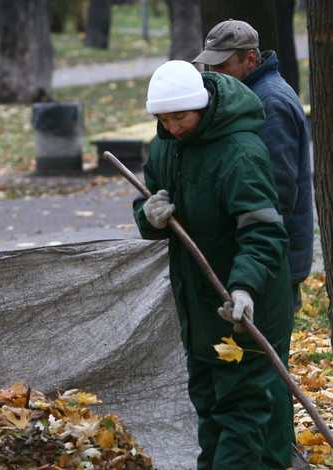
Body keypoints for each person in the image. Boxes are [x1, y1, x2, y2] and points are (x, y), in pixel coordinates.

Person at [132, 60, 294, 469]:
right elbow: (149, 198)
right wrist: (148, 215)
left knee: (242, 411)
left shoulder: (240, 154)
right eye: (163, 119)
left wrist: (244, 287)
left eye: (179, 117)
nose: (172, 127)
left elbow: (264, 234)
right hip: (199, 304)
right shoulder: (165, 146)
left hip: (245, 304)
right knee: (208, 403)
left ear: (201, 106)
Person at [193, 19, 313, 312]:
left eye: (222, 67)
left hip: (269, 258)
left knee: (260, 349)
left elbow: (277, 191)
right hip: (257, 254)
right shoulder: (244, 97)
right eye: (209, 67)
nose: (214, 76)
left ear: (249, 58)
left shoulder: (268, 103)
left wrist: (255, 257)